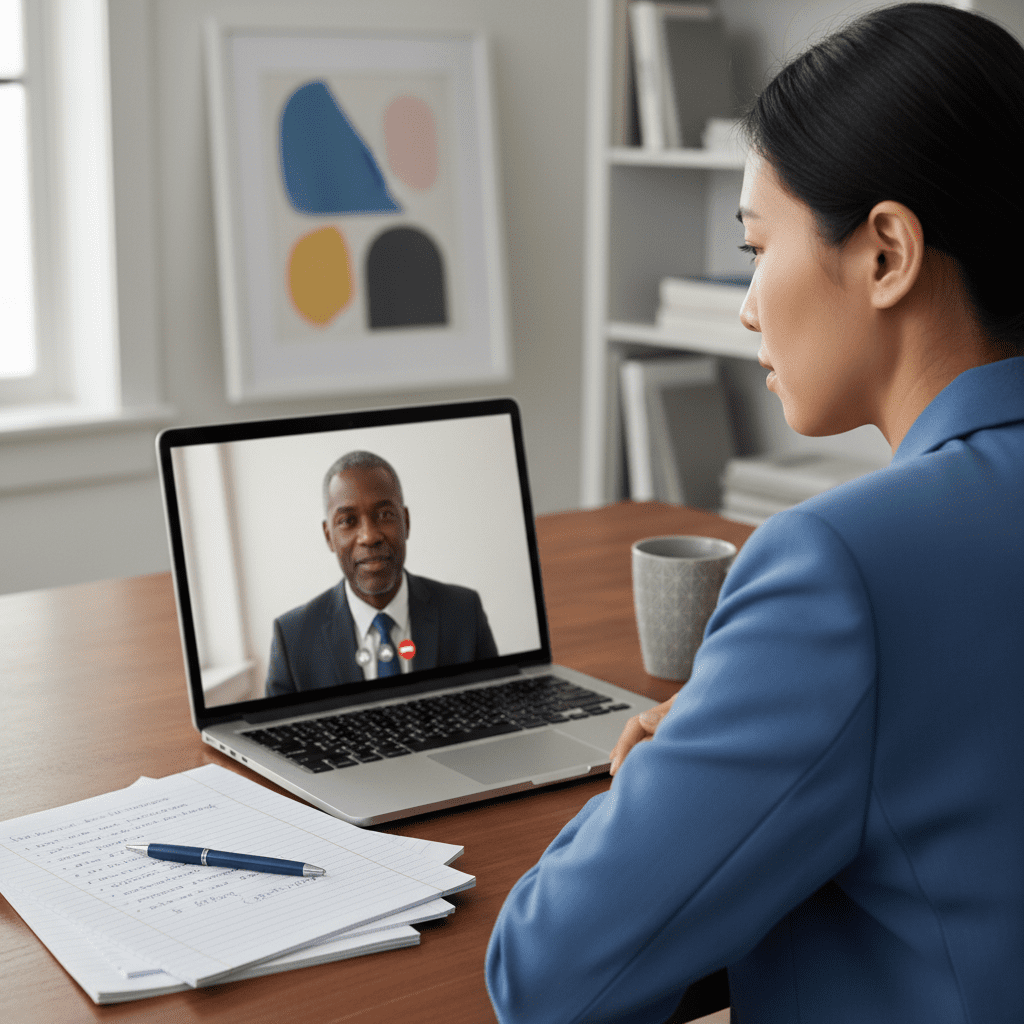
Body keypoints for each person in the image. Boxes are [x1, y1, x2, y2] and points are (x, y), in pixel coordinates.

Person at [486, 5, 1024, 1022]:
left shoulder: (838, 570)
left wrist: (662, 777)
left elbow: (547, 979)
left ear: (886, 253)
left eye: (754, 246)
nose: (745, 306)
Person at [265, 451, 498, 696]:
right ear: (328, 536)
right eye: (348, 520)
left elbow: (495, 708)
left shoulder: (464, 612)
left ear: (406, 522)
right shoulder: (292, 638)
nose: (369, 536)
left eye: (385, 515)